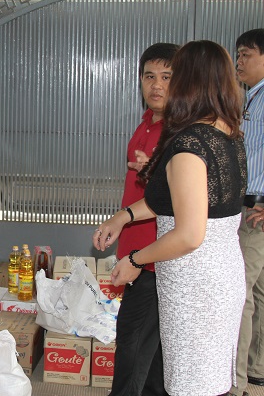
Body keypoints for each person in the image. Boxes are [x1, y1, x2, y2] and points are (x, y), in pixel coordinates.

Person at [93, 40, 247, 396]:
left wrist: (135, 259)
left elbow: (189, 234)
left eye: (172, 76)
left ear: (188, 82)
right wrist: (124, 216)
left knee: (190, 383)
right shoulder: (225, 133)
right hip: (219, 275)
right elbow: (175, 201)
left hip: (195, 282)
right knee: (195, 381)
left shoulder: (191, 144)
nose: (163, 85)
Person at [109, 42, 178, 396]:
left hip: (154, 257)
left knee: (132, 344)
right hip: (136, 251)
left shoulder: (180, 134)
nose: (157, 85)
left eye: (166, 77)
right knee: (152, 350)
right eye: (149, 77)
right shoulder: (147, 122)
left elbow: (176, 200)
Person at [231, 28, 264, 396]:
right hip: (254, 204)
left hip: (257, 208)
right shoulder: (252, 96)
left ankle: (236, 381)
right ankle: (256, 368)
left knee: (240, 293)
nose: (239, 62)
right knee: (258, 291)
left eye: (246, 55)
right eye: (238, 55)